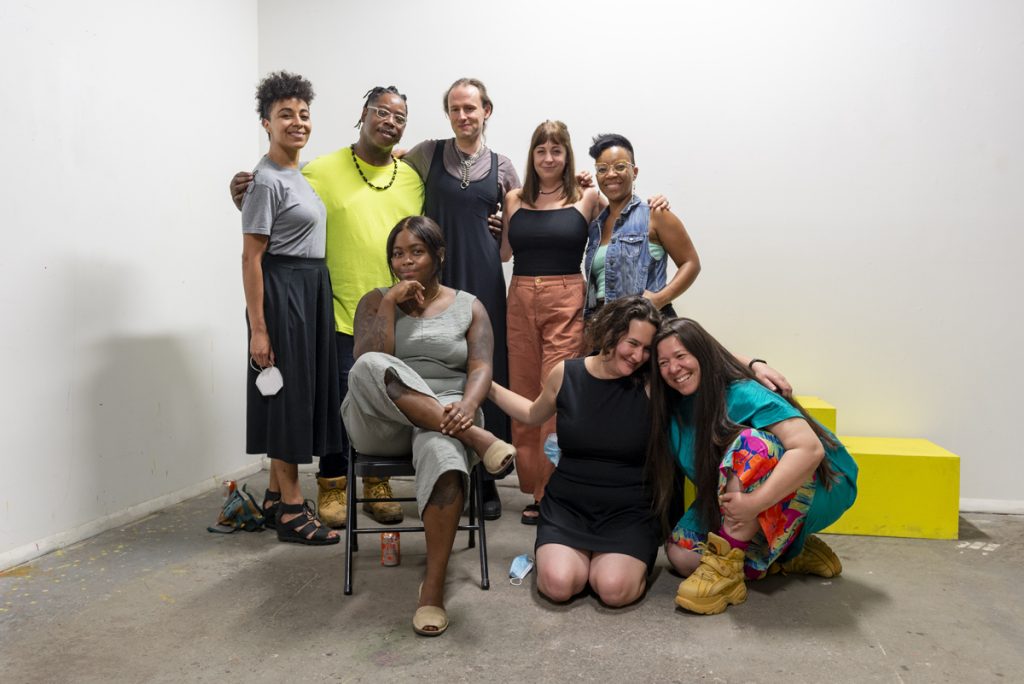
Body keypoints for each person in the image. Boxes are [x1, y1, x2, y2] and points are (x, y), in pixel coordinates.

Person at [232, 86, 424, 528]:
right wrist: (240, 191)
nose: (390, 121)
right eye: (381, 112)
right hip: (334, 307)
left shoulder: (412, 175)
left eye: (399, 116)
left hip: (392, 312)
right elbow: (262, 223)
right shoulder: (318, 169)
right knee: (333, 406)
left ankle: (370, 487)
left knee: (386, 403)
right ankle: (329, 488)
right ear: (363, 115)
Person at [343, 216, 515, 636]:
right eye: (397, 254)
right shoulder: (374, 300)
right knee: (369, 365)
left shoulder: (468, 305)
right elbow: (365, 359)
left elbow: (481, 366)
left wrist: (469, 404)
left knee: (444, 455)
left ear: (438, 255)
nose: (405, 261)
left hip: (446, 419)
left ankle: (432, 592)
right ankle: (477, 436)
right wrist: (389, 305)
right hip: (380, 423)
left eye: (416, 252)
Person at [648, 317, 859, 615]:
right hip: (745, 500)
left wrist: (754, 503)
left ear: (702, 355)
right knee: (681, 556)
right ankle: (786, 551)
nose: (673, 369)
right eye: (663, 362)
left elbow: (809, 449)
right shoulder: (673, 404)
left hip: (820, 484)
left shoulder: (741, 392)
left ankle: (726, 571)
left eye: (681, 356)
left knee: (750, 443)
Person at [489, 297, 663, 606]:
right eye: (632, 343)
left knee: (613, 590)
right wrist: (484, 385)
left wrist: (753, 365)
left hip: (629, 511)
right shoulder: (567, 374)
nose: (638, 356)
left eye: (647, 349)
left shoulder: (651, 383)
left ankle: (610, 561)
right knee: (558, 586)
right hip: (569, 508)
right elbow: (531, 413)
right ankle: (579, 556)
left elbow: (699, 357)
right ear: (611, 333)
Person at [401, 78, 521, 520]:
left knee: (483, 369)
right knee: (441, 367)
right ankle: (446, 468)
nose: (463, 115)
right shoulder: (428, 153)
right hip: (439, 280)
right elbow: (386, 162)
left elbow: (510, 246)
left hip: (485, 281)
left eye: (471, 108)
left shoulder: (505, 167)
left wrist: (498, 230)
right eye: (455, 109)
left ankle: (484, 479)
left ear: (487, 110)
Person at [241, 71, 340, 545]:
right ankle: (293, 510)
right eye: (286, 115)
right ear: (266, 122)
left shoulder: (295, 174)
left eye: (303, 115)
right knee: (287, 398)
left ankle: (276, 496)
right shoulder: (264, 180)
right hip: (283, 292)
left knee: (294, 393)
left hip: (309, 287)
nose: (297, 122)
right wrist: (260, 330)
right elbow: (251, 257)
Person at [497, 121, 608, 525]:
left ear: (567, 155)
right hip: (520, 296)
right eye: (541, 150)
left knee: (556, 396)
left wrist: (659, 202)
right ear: (532, 156)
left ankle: (554, 490)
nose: (548, 158)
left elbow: (626, 212)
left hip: (566, 297)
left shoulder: (587, 196)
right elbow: (505, 254)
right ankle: (533, 486)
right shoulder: (514, 198)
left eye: (556, 151)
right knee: (523, 392)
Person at [584, 133, 701, 319]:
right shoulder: (596, 226)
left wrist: (659, 299)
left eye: (620, 167)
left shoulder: (655, 215)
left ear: (634, 172)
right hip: (604, 326)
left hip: (647, 325)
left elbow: (691, 263)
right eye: (602, 169)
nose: (611, 174)